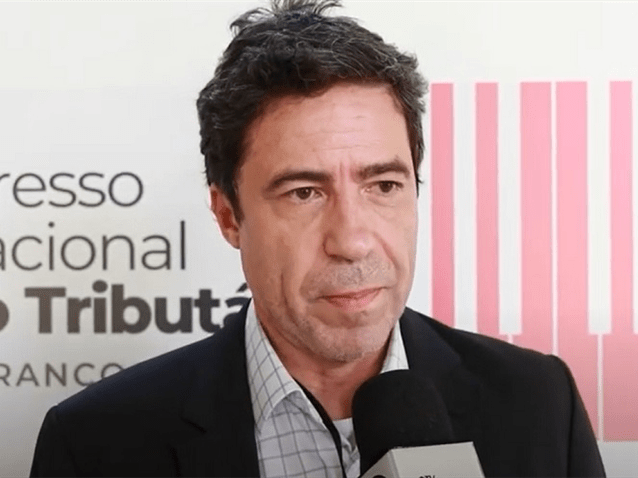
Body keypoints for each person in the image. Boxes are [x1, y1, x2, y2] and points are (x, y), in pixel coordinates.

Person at [30, 1, 605, 477]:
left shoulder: (539, 404)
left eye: (383, 185)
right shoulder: (94, 446)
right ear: (228, 216)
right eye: (305, 192)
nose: (353, 241)